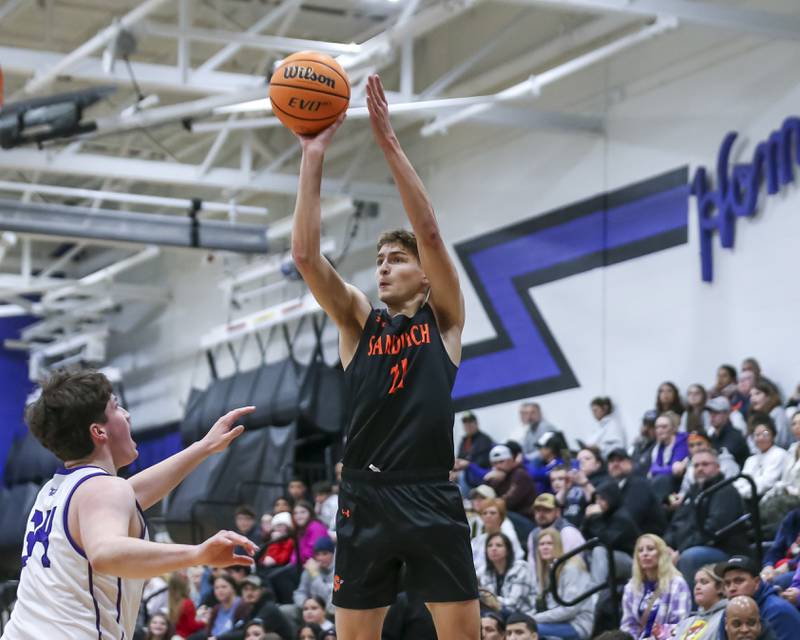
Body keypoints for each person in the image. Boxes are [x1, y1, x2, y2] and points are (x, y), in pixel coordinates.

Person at [290, 74, 478, 639]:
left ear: (423, 274)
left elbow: (431, 231)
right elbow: (304, 254)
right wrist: (312, 151)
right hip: (365, 497)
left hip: (429, 491)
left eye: (397, 259)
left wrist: (389, 144)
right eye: (379, 259)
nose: (383, 267)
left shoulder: (442, 320)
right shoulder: (357, 322)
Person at [1, 370, 258, 639]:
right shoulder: (102, 489)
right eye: (115, 406)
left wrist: (204, 447)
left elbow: (132, 494)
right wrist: (198, 554)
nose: (127, 414)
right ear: (99, 431)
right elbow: (105, 552)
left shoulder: (56, 490)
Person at [663, 448, 749, 588]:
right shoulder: (693, 492)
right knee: (652, 554)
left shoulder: (725, 490)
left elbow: (712, 529)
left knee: (690, 556)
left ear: (717, 467)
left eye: (705, 464)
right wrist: (666, 546)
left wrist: (681, 550)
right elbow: (676, 523)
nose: (700, 468)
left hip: (724, 550)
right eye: (696, 465)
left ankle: (690, 609)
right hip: (693, 546)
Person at [620, 534, 691, 640]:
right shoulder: (631, 587)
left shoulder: (677, 584)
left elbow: (679, 625)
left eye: (650, 549)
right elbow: (628, 625)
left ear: (661, 554)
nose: (645, 553)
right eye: (640, 550)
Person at [530, 528, 595, 639]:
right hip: (558, 623)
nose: (545, 547)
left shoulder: (571, 568)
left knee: (529, 630)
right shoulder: (547, 571)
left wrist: (533, 618)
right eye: (541, 544)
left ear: (558, 546)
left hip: (577, 625)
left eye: (550, 543)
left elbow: (569, 610)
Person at [721, 555, 800, 639]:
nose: (731, 588)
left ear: (756, 582)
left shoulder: (778, 611)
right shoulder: (730, 611)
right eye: (727, 583)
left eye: (739, 581)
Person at [606, 448, 667, 535]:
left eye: (620, 460)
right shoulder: (611, 487)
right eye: (611, 461)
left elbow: (630, 518)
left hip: (648, 541)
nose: (615, 464)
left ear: (631, 463)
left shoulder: (640, 484)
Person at [476, 532, 534, 616]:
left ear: (508, 550)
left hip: (522, 615)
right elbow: (487, 599)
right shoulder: (484, 571)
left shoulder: (521, 568)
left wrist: (490, 600)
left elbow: (514, 604)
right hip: (496, 614)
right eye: (489, 545)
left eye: (499, 545)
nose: (493, 549)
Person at [734, 414, 790, 499]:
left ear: (773, 435)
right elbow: (742, 480)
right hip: (749, 498)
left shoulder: (779, 454)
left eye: (765, 433)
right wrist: (734, 492)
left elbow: (766, 483)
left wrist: (740, 494)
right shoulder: (751, 459)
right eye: (757, 435)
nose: (760, 438)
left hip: (772, 499)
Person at [526, 493, 585, 569]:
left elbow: (575, 566)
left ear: (557, 512)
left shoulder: (568, 532)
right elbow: (532, 568)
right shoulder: (533, 534)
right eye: (537, 510)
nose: (541, 514)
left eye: (546, 510)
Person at [671, 564, 727, 640]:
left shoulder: (726, 618)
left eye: (704, 582)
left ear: (720, 587)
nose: (697, 587)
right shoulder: (687, 622)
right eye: (696, 583)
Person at [472, 498, 524, 574]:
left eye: (492, 513)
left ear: (501, 517)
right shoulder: (477, 540)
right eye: (484, 513)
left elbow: (518, 560)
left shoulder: (509, 537)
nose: (488, 516)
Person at [483, 444, 537, 515]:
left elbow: (508, 503)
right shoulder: (496, 476)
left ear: (511, 460)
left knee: (494, 513)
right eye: (495, 463)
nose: (498, 466)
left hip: (526, 517)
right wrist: (487, 480)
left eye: (501, 461)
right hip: (511, 515)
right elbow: (483, 499)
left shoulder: (520, 474)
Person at [648, 411, 689, 500]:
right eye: (657, 427)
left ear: (673, 428)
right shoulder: (658, 446)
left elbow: (676, 471)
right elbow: (653, 469)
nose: (659, 430)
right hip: (663, 485)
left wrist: (657, 470)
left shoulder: (681, 442)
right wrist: (660, 469)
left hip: (678, 487)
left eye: (664, 427)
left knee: (661, 480)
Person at [706, 396, 750, 468]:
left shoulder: (735, 436)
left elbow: (724, 458)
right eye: (710, 413)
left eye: (716, 412)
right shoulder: (713, 436)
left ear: (727, 414)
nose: (712, 416)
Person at [749, 380, 789, 449]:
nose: (752, 398)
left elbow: (782, 440)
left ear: (768, 396)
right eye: (751, 395)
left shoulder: (778, 412)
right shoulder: (754, 417)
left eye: (757, 393)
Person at [169, 571, 207, 638]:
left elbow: (184, 623)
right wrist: (205, 622)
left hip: (178, 636)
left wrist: (197, 614)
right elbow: (192, 626)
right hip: (188, 636)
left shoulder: (173, 603)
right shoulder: (187, 603)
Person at [291, 501, 328, 565]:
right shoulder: (300, 530)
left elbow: (313, 551)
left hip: (314, 566)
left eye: (303, 512)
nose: (298, 516)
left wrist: (295, 562)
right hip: (300, 564)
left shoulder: (316, 527)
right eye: (295, 513)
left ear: (310, 513)